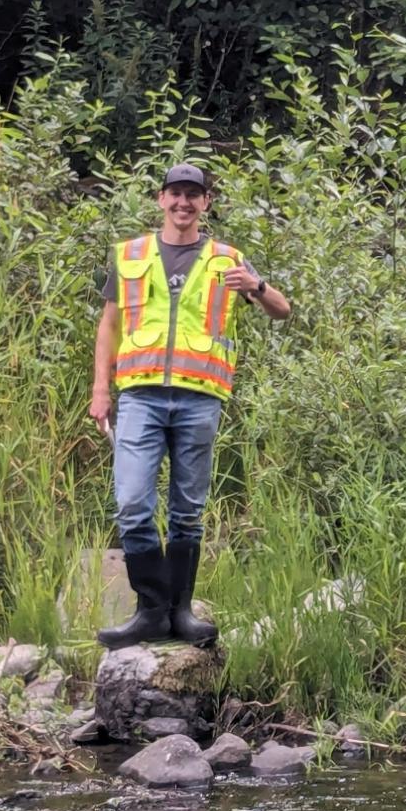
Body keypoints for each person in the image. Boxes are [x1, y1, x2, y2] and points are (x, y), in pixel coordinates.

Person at [88, 163, 291, 650]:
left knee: (188, 511)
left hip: (200, 397)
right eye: (175, 194)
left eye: (193, 196)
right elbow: (108, 327)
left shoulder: (228, 259)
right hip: (140, 395)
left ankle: (180, 612)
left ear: (206, 203)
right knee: (133, 502)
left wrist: (257, 288)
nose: (184, 203)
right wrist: (101, 391)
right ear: (161, 199)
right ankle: (150, 610)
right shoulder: (130, 254)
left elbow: (283, 310)